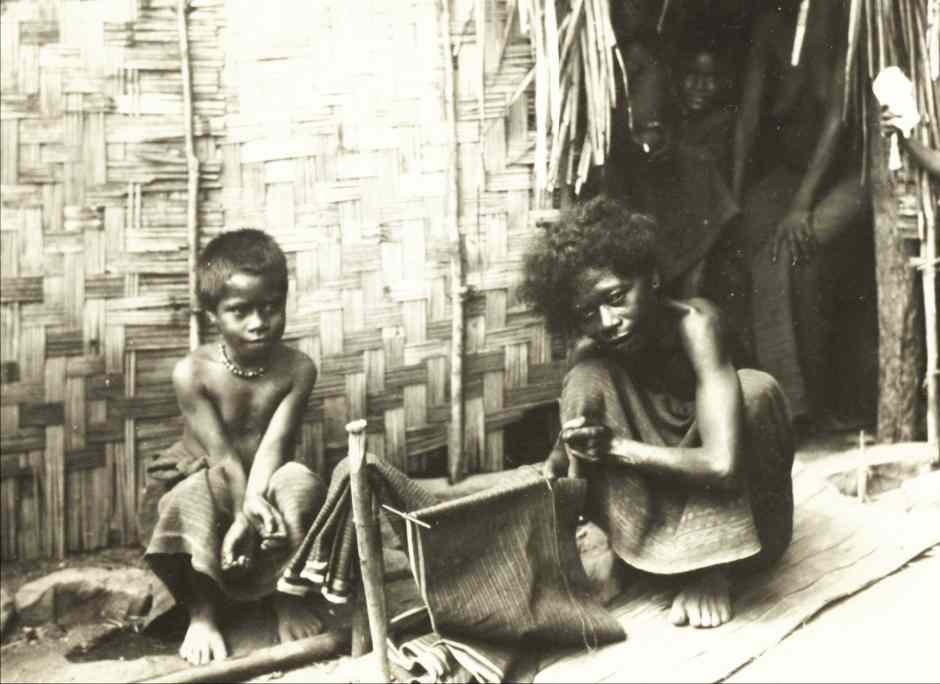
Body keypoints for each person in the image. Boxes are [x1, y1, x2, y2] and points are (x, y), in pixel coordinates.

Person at [522, 197, 794, 628]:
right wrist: (563, 472)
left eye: (615, 297)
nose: (607, 321)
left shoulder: (697, 325)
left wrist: (616, 448)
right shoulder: (594, 351)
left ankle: (711, 567)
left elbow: (723, 464)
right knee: (585, 377)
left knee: (755, 391)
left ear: (650, 276)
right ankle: (621, 549)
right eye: (588, 313)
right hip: (652, 515)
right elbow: (563, 461)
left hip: (745, 522)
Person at [142, 229, 326, 664]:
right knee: (190, 497)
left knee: (299, 483)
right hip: (209, 470)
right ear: (212, 314)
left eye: (270, 307)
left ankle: (287, 596)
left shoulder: (298, 369)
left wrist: (256, 505)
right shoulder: (192, 372)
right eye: (240, 311)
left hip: (267, 471)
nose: (259, 322)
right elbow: (222, 456)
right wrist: (243, 510)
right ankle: (202, 612)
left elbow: (274, 446)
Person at [730, 0, 869, 429]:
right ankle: (789, 403)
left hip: (854, 173)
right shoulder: (772, 26)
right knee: (761, 244)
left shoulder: (851, 20)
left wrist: (801, 204)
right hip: (792, 172)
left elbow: (837, 117)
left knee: (790, 254)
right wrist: (732, 200)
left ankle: (801, 404)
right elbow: (750, 116)